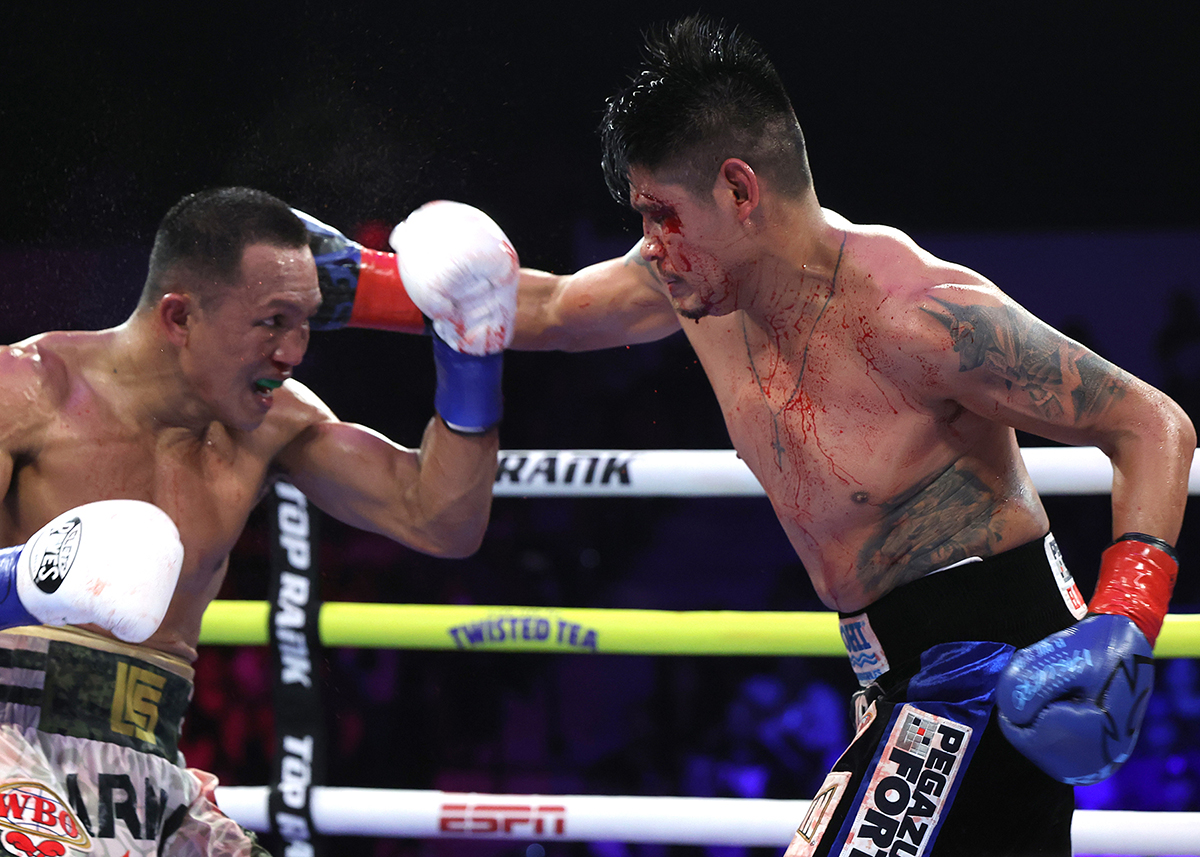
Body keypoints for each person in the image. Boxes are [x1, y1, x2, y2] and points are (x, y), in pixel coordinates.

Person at [510, 16, 1195, 856]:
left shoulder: (918, 317)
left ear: (738, 189)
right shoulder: (693, 283)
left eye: (662, 213)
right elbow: (542, 309)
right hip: (886, 673)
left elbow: (1151, 422)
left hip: (987, 666)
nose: (652, 244)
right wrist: (350, 286)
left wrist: (1123, 623)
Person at [0, 187, 519, 855]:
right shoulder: (25, 394)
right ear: (180, 316)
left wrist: (470, 358)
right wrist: (24, 581)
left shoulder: (270, 425)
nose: (293, 349)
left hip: (146, 771)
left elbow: (441, 519)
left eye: (305, 323)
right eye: (272, 322)